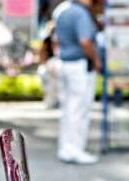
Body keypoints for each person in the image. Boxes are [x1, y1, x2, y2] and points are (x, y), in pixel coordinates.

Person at [54, 0, 101, 164]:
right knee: (78, 109)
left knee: (68, 109)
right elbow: (85, 42)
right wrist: (96, 59)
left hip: (64, 63)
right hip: (79, 65)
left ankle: (66, 148)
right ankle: (75, 149)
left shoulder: (61, 9)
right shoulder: (80, 13)